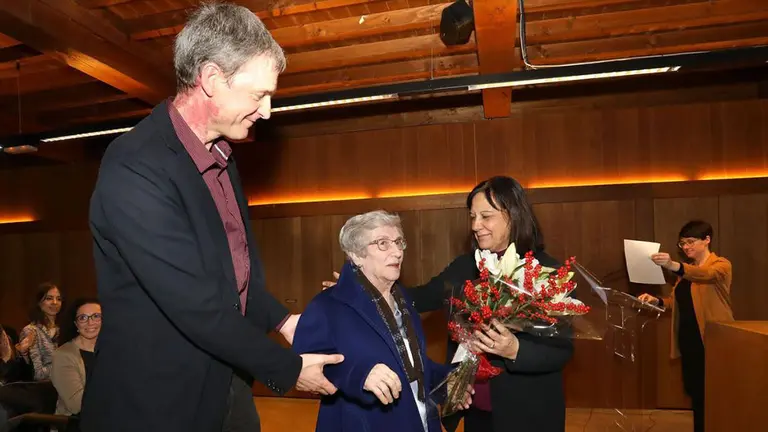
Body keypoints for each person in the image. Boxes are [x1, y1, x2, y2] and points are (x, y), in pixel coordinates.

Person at [82, 4, 343, 432]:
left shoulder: (221, 153)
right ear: (211, 80)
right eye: (258, 95)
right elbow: (195, 304)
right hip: (157, 403)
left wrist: (284, 321)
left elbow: (232, 274)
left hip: (225, 383)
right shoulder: (135, 166)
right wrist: (289, 368)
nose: (267, 111)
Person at [323, 176, 573, 432]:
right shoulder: (466, 267)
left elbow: (561, 350)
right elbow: (418, 298)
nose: (476, 225)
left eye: (486, 216)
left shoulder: (546, 273)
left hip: (529, 413)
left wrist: (515, 349)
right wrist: (365, 290)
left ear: (514, 215)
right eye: (472, 216)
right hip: (475, 409)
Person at [295, 211, 470, 432]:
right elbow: (305, 367)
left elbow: (411, 364)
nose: (397, 252)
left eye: (398, 242)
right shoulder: (326, 306)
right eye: (383, 243)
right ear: (356, 255)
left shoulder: (403, 300)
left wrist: (448, 380)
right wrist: (359, 375)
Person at [638, 220, 733, 432]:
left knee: (712, 394)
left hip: (712, 339)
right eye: (682, 244)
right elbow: (678, 302)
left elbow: (705, 275)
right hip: (689, 339)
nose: (686, 247)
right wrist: (658, 301)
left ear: (707, 240)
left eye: (691, 242)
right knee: (695, 392)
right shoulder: (684, 276)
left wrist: (673, 266)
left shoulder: (720, 265)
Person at [51, 299, 102, 417]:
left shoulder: (113, 350)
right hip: (76, 422)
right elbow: (77, 405)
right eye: (83, 318)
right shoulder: (63, 355)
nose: (90, 322)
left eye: (96, 316)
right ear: (76, 324)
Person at [16, 283, 63, 381]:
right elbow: (37, 374)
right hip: (44, 391)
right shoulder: (31, 331)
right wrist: (67, 368)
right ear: (39, 302)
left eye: (58, 299)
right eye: (49, 298)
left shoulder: (64, 329)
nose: (55, 302)